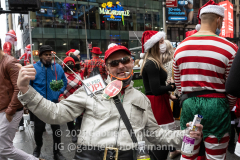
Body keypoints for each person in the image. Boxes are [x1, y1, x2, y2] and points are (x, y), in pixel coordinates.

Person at [16, 44, 203, 160]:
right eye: (114, 63)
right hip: (90, 155)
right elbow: (55, 114)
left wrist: (185, 135)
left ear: (131, 62)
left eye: (125, 60)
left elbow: (155, 135)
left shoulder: (141, 99)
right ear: (107, 68)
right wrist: (25, 89)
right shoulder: (91, 90)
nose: (121, 66)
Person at [174, 1, 238, 159]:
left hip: (189, 104)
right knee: (215, 155)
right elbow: (232, 87)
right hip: (217, 105)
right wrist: (224, 106)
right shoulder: (230, 48)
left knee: (188, 152)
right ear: (218, 20)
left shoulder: (180, 47)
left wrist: (189, 99)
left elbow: (178, 85)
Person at [140, 31, 180, 160]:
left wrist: (168, 94)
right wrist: (172, 87)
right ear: (155, 44)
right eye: (161, 42)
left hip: (160, 101)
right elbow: (155, 90)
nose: (164, 44)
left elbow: (157, 87)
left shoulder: (154, 61)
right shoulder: (151, 63)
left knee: (162, 140)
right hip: (157, 104)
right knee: (161, 140)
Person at [0, 39, 39, 160]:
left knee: (3, 148)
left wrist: (10, 111)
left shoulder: (9, 62)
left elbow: (19, 88)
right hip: (3, 109)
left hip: (11, 110)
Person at [28, 45, 67, 160]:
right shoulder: (33, 68)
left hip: (54, 104)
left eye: (50, 54)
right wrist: (31, 100)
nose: (49, 57)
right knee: (38, 130)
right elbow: (29, 86)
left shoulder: (58, 68)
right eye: (46, 54)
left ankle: (57, 152)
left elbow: (64, 81)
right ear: (40, 56)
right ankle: (38, 148)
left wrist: (59, 92)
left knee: (56, 130)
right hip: (39, 105)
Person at [59, 57, 83, 143]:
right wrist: (61, 96)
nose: (70, 64)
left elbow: (83, 84)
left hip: (78, 98)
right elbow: (59, 88)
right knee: (69, 118)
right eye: (68, 63)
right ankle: (73, 134)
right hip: (67, 99)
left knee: (80, 116)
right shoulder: (62, 75)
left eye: (71, 63)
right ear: (64, 65)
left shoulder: (78, 74)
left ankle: (80, 131)